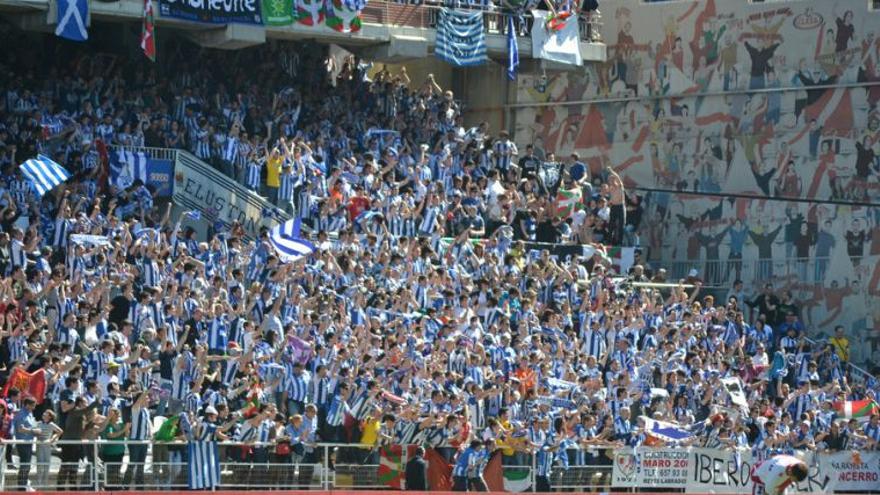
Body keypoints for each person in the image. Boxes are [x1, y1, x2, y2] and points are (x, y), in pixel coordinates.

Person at [13, 397, 39, 491]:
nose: (34, 408)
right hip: (23, 443)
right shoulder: (21, 414)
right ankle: (21, 487)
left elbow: (30, 425)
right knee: (24, 465)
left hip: (29, 442)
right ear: (27, 405)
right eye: (33, 405)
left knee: (27, 465)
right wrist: (34, 431)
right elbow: (20, 429)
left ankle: (24, 484)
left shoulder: (29, 413)